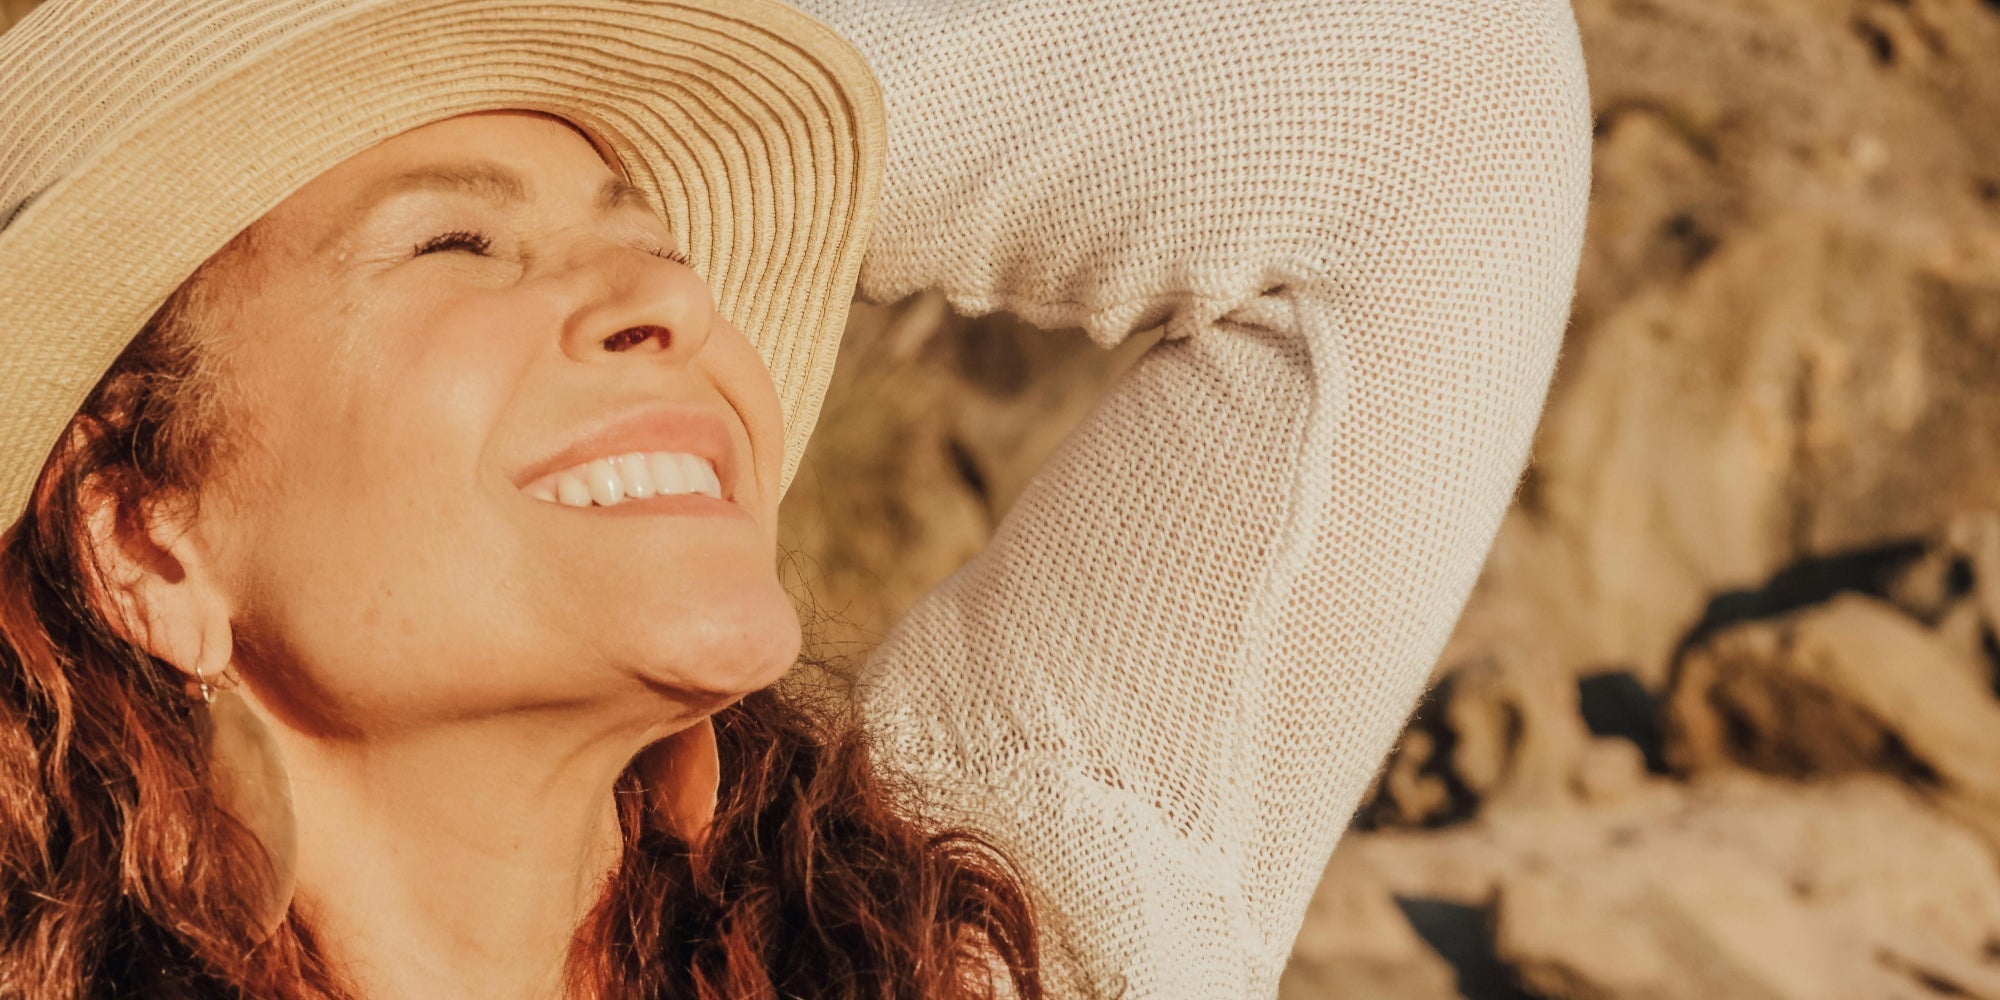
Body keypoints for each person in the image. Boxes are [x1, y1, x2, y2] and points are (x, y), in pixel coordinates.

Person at [0, 0, 1590, 997]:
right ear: (145, 534)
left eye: (662, 244)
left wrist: (643, 54)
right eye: (453, 244)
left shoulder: (986, 936)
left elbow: (1424, 83)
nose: (668, 298)